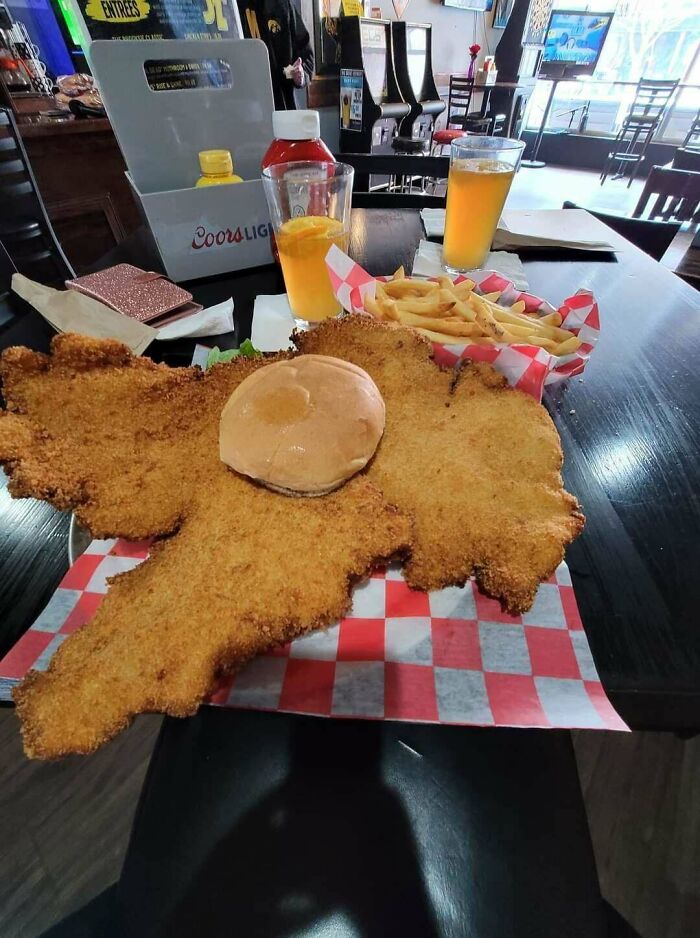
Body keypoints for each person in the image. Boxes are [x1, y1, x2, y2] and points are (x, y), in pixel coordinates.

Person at [238, 0, 314, 109]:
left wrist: (299, 74)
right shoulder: (233, 7)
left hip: (281, 108)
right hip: (243, 106)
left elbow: (306, 56)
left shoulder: (283, 6)